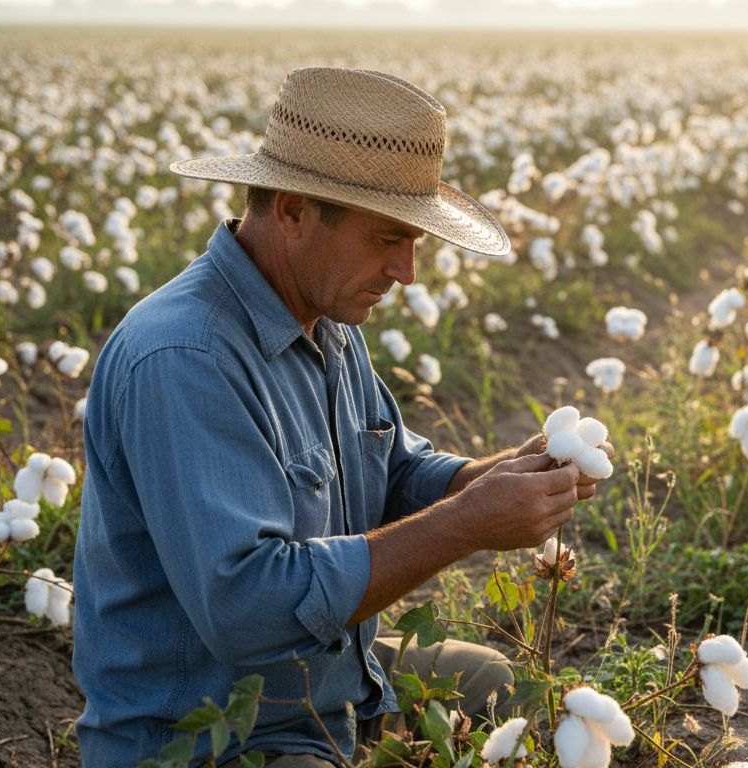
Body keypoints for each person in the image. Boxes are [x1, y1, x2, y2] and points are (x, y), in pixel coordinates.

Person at [72, 67, 602, 766]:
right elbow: (245, 608)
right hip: (217, 736)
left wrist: (485, 477)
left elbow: (393, 465)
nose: (409, 272)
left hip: (325, 682)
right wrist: (467, 524)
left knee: (498, 685)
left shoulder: (323, 315)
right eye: (388, 239)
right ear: (293, 209)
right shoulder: (183, 356)